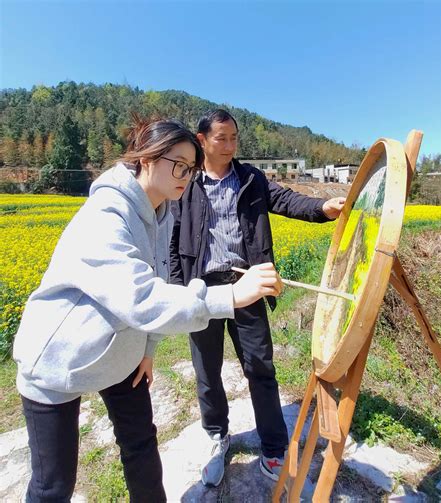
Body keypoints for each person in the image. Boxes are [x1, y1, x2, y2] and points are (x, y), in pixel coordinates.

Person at [13, 115, 283, 503]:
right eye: (177, 165)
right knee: (53, 485)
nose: (185, 176)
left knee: (141, 449)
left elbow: (159, 282)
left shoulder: (163, 214)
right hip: (58, 361)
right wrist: (231, 297)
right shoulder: (106, 215)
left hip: (121, 355)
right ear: (147, 158)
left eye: (190, 169)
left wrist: (148, 349)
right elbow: (139, 297)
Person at [169, 109, 345, 492]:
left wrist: (322, 208)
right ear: (202, 141)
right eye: (222, 138)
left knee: (260, 368)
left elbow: (286, 200)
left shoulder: (250, 178)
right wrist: (178, 288)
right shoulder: (187, 183)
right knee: (207, 370)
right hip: (203, 290)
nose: (230, 145)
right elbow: (173, 238)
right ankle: (217, 436)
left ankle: (274, 447)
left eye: (234, 138)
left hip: (248, 284)